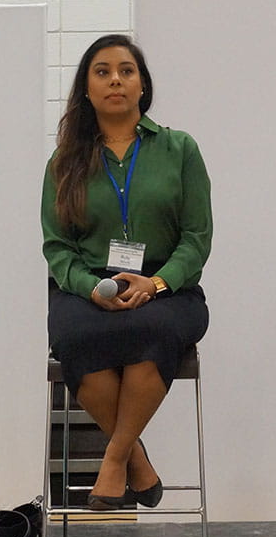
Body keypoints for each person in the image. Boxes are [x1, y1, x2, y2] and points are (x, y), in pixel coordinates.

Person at [42, 34, 212, 511]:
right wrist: (90, 288)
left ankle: (115, 459)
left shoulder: (180, 149)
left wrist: (156, 283)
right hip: (88, 289)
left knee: (152, 329)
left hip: (167, 287)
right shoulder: (64, 161)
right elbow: (57, 247)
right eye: (102, 72)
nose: (115, 79)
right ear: (87, 88)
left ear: (142, 85)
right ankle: (136, 459)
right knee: (77, 336)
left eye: (125, 70)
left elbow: (197, 238)